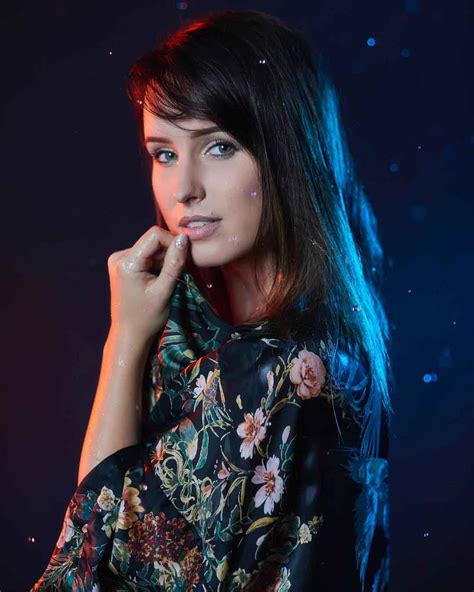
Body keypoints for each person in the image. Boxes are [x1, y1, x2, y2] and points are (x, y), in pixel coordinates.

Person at [32, 8, 393, 591]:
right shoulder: (326, 338)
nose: (184, 188)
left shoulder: (276, 368)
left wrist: (123, 341)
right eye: (164, 153)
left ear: (286, 152)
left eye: (219, 147)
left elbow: (92, 560)